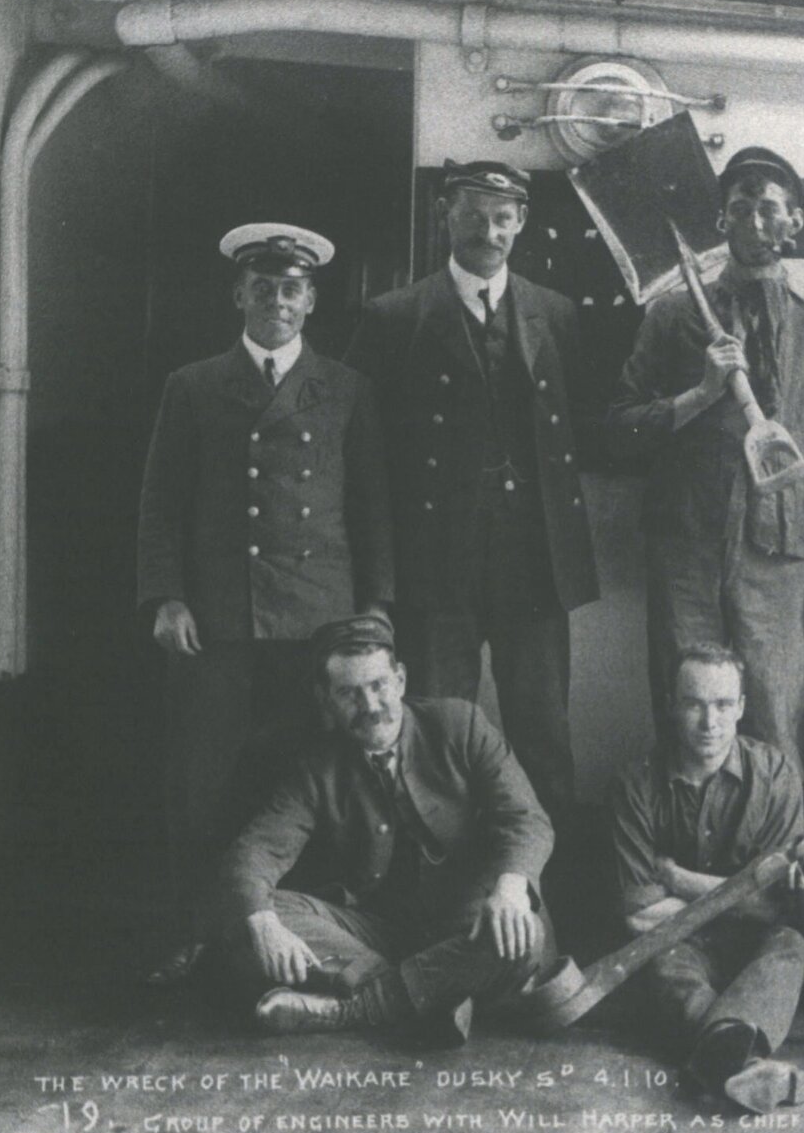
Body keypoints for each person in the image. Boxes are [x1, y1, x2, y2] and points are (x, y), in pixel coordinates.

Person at [135, 223, 394, 985]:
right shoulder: (193, 384)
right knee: (203, 779)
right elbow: (160, 503)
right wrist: (166, 597)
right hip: (218, 618)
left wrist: (375, 608)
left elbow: (372, 509)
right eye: (264, 287)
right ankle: (199, 932)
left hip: (318, 620)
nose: (277, 301)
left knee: (310, 777)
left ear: (311, 301)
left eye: (292, 289)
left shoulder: (348, 388)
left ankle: (307, 932)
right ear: (238, 294)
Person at [607, 146, 804, 804]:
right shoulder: (673, 316)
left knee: (775, 717)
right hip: (686, 549)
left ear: (794, 224)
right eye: (741, 207)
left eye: (769, 207)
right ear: (720, 220)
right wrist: (698, 395)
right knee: (687, 713)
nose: (755, 220)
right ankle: (681, 872)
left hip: (780, 555)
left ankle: (777, 872)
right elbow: (616, 426)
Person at [343, 161, 598, 821]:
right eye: (473, 215)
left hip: (534, 559)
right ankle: (436, 876)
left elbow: (582, 425)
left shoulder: (556, 314)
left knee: (541, 727)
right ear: (446, 217)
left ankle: (547, 887)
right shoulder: (394, 315)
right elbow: (360, 449)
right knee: (437, 726)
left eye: (502, 217)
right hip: (435, 561)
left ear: (521, 223)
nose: (488, 231)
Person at [217, 613, 559, 1039]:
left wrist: (509, 890)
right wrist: (263, 921)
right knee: (262, 917)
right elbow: (252, 854)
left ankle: (352, 1010)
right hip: (378, 936)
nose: (370, 706)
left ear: (400, 679)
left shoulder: (461, 724)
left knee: (521, 941)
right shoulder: (317, 766)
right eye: (349, 693)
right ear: (326, 698)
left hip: (472, 923)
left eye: (378, 685)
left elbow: (527, 819)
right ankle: (435, 995)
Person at [608, 644, 804, 1114]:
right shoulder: (636, 782)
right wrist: (743, 895)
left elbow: (778, 906)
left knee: (792, 944)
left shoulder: (777, 773)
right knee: (662, 961)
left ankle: (722, 1060)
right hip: (679, 946)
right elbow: (640, 917)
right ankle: (748, 1064)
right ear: (671, 704)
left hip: (755, 944)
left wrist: (676, 879)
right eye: (694, 703)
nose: (710, 722)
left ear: (742, 707)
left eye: (724, 705)